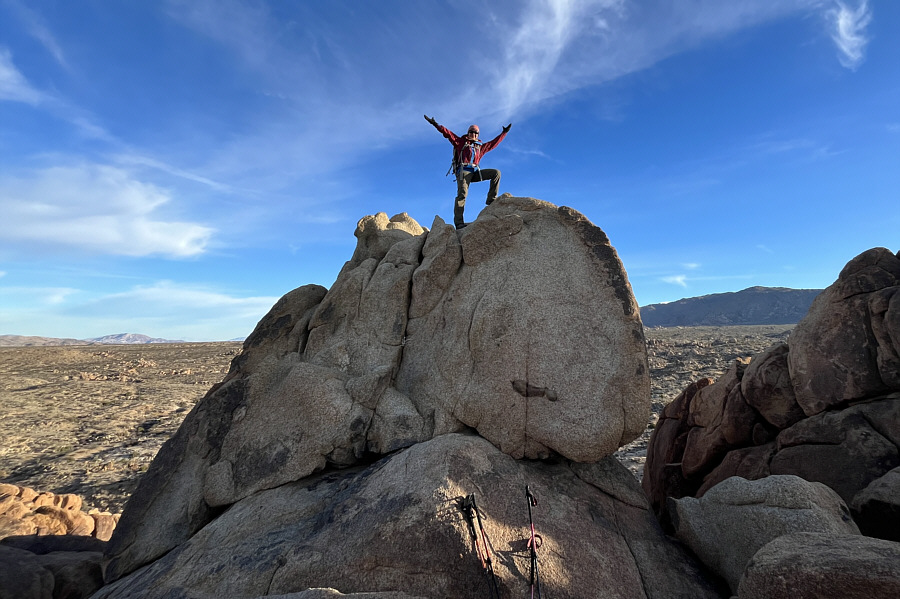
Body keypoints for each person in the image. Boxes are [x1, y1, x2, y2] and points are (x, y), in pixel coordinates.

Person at [425, 115, 512, 229]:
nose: (473, 134)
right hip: (464, 172)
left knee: (496, 173)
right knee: (462, 194)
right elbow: (448, 134)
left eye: (476, 133)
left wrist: (504, 133)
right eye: (471, 132)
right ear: (468, 132)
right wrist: (436, 124)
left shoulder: (480, 147)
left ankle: (491, 199)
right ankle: (459, 223)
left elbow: (493, 143)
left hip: (475, 172)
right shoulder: (460, 142)